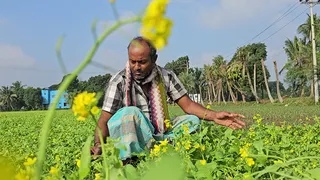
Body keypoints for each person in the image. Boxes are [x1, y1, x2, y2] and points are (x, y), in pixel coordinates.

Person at [91, 36, 246, 163]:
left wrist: (215, 116)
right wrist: (99, 145)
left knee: (192, 121)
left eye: (142, 62)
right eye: (133, 61)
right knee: (129, 113)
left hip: (159, 132)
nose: (136, 67)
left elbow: (188, 105)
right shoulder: (119, 81)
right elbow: (104, 120)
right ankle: (130, 160)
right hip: (133, 136)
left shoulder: (166, 76)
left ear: (154, 59)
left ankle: (162, 151)